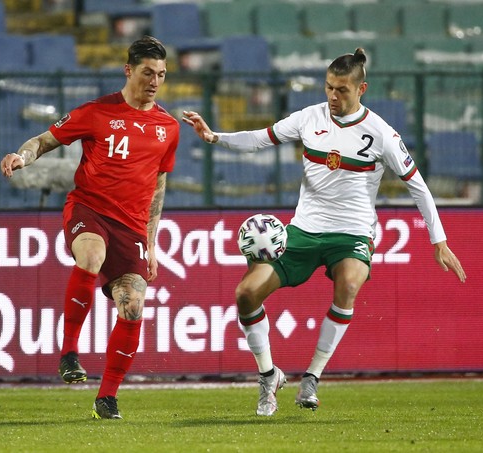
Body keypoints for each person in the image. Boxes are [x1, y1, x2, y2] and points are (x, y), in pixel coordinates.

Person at [182, 48, 466, 417]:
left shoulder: (380, 133)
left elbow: (418, 186)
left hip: (352, 233)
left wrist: (438, 240)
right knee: (246, 293)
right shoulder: (308, 118)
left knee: (348, 284)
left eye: (342, 90)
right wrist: (215, 137)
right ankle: (269, 375)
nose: (333, 96)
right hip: (303, 231)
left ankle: (312, 377)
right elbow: (260, 138)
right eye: (329, 88)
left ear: (361, 88)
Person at [0, 36, 179, 420]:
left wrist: (152, 241)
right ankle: (68, 352)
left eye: (161, 75)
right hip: (90, 208)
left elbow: (158, 186)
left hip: (132, 227)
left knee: (132, 305)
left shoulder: (167, 127)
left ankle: (107, 397)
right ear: (128, 70)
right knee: (92, 254)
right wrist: (22, 155)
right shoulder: (96, 111)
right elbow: (45, 140)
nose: (154, 81)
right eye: (148, 72)